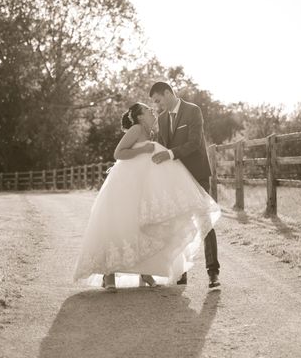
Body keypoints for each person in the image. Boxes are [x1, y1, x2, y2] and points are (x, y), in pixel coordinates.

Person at [72, 102, 221, 290]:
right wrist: (143, 150)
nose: (153, 111)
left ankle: (144, 271)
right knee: (121, 223)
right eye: (148, 110)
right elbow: (118, 153)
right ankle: (108, 275)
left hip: (143, 185)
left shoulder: (151, 132)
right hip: (126, 183)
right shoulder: (135, 129)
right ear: (140, 116)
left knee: (140, 226)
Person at [149, 82, 221, 288]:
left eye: (158, 100)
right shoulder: (162, 119)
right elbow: (161, 146)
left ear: (168, 93)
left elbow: (195, 142)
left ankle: (213, 273)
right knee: (178, 223)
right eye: (154, 102)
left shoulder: (192, 110)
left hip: (197, 174)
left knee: (204, 222)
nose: (156, 105)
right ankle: (181, 272)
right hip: (176, 179)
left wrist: (170, 154)